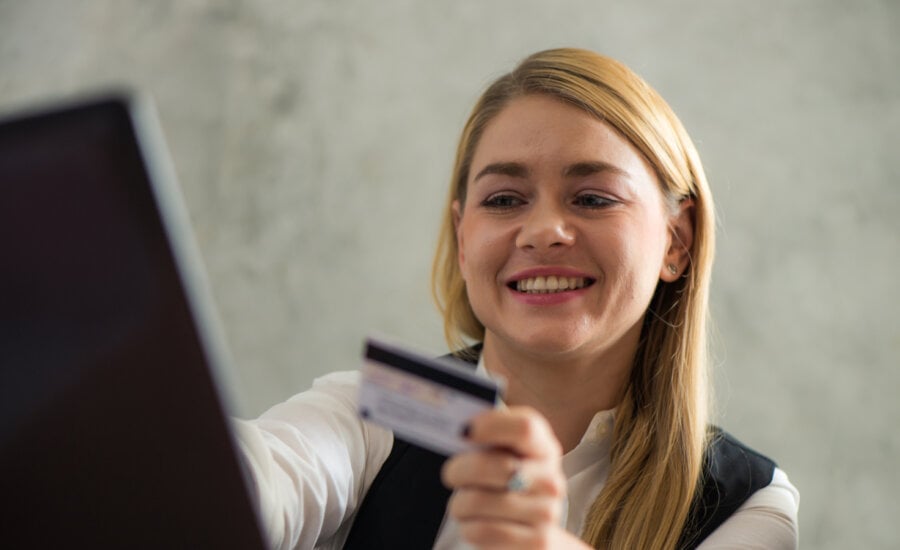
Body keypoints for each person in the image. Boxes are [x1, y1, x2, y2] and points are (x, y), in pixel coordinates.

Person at [233, 48, 799, 549]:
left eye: (594, 198)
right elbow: (240, 486)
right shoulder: (372, 411)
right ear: (462, 238)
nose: (543, 230)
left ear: (677, 240)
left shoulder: (749, 503)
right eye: (504, 199)